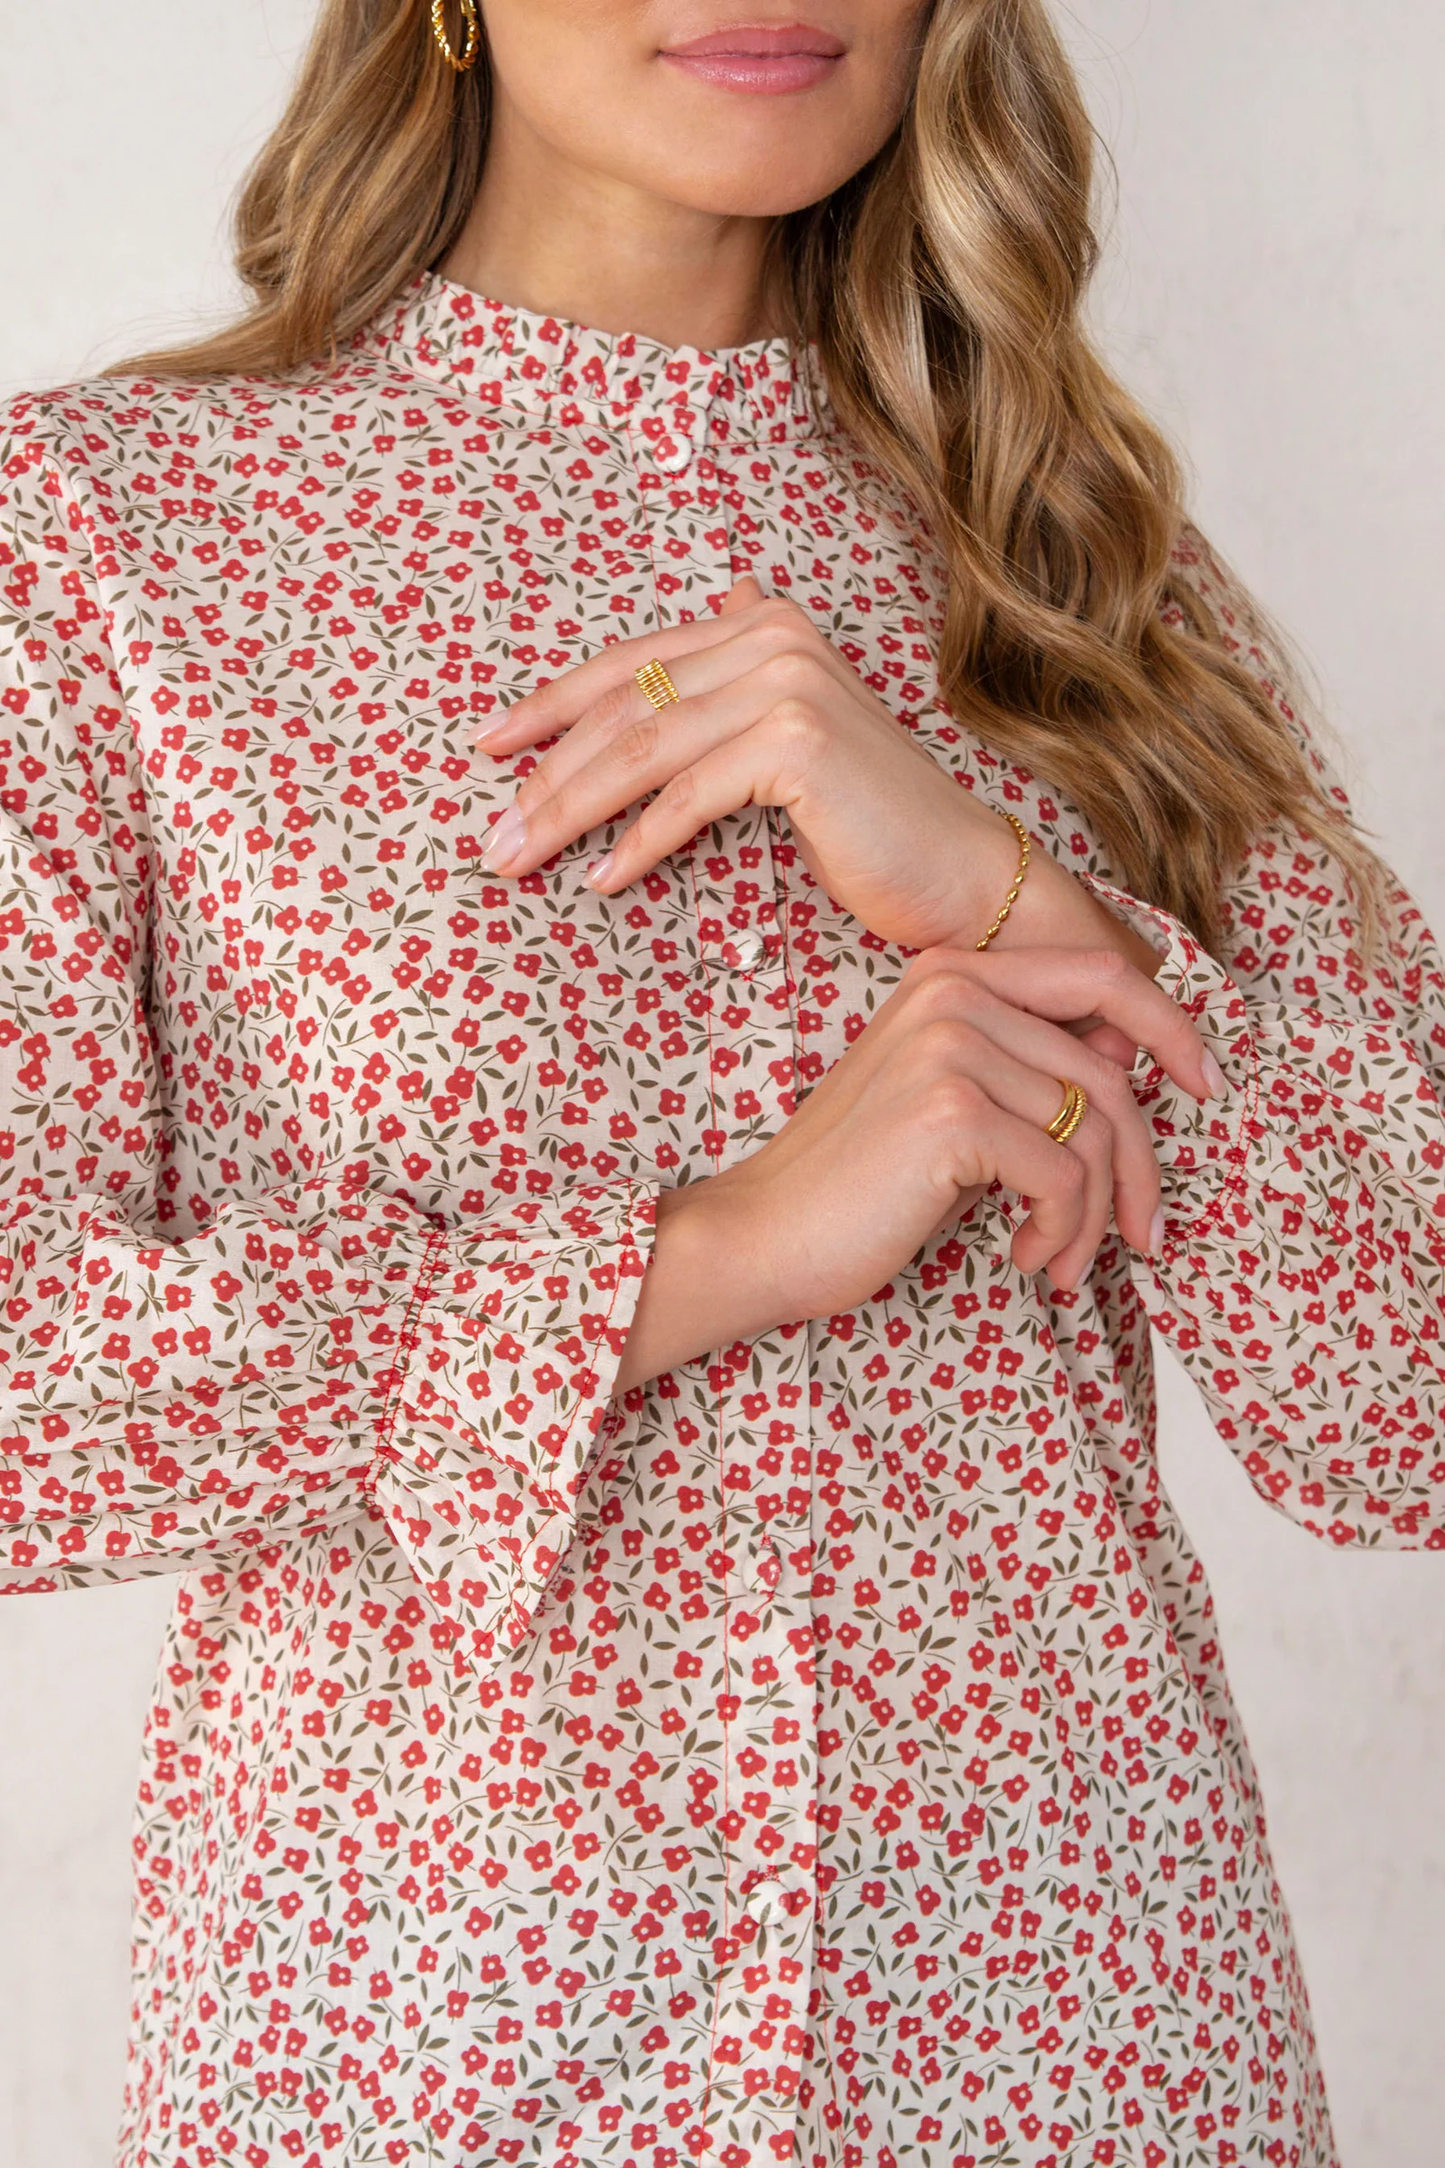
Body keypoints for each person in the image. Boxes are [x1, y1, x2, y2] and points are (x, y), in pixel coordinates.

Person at [1, 3, 1439, 2164]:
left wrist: (1021, 894)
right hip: (434, 2044)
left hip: (1089, 2032)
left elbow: (1397, 1405)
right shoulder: (111, 539)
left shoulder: (1081, 575)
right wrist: (711, 1250)